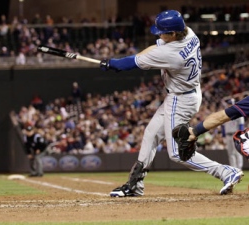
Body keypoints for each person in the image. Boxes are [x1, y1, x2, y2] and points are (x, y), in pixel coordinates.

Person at [99, 10, 243, 197]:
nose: (159, 34)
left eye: (162, 32)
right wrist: (116, 62)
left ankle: (226, 172)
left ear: (173, 33)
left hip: (180, 99)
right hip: (188, 93)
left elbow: (127, 64)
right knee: (150, 134)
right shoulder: (189, 33)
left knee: (176, 153)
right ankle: (135, 185)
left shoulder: (171, 53)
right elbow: (152, 49)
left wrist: (112, 64)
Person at [221, 98, 244, 169]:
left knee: (237, 152)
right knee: (230, 153)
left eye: (231, 104)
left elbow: (241, 126)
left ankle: (239, 168)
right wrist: (224, 136)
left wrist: (240, 136)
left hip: (236, 134)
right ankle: (233, 168)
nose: (230, 105)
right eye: (229, 104)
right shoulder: (225, 114)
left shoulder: (238, 113)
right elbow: (223, 126)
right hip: (228, 135)